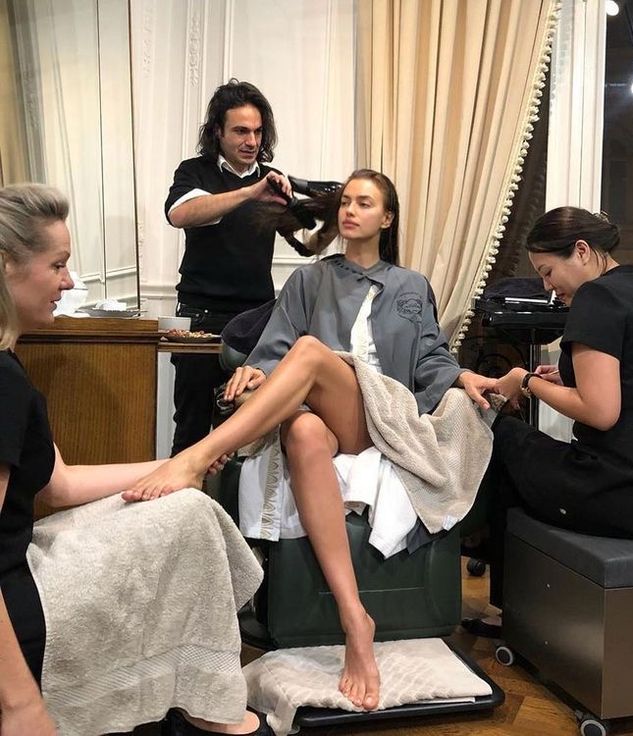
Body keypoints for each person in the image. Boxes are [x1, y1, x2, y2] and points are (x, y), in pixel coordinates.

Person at [127, 169, 497, 712]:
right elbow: (274, 349)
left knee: (310, 353)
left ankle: (196, 458)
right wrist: (256, 372)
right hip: (324, 415)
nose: (349, 211)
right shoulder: (310, 281)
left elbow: (432, 358)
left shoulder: (411, 286)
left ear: (386, 218)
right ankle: (355, 618)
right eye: (345, 202)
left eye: (364, 204)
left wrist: (462, 377)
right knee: (299, 429)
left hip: (383, 414)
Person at [0, 184, 272, 736]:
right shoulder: (1, 381)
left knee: (184, 502)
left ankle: (204, 702)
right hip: (17, 606)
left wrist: (184, 463)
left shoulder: (9, 364)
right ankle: (215, 713)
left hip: (23, 566)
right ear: (6, 267)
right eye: (58, 265)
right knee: (189, 518)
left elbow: (61, 485)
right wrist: (21, 705)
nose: (69, 281)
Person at [461, 206, 633, 638]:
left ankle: (506, 606)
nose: (547, 287)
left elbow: (600, 411)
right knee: (525, 450)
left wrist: (524, 382)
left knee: (497, 431)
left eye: (548, 271)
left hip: (620, 491)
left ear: (581, 251)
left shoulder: (598, 297)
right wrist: (562, 376)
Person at [165, 79, 297, 456]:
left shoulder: (274, 181)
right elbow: (180, 214)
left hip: (256, 321)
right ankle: (181, 514)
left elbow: (305, 240)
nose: (251, 141)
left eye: (257, 131)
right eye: (240, 131)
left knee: (244, 434)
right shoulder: (194, 172)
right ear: (218, 132)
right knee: (191, 427)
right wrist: (249, 193)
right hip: (200, 319)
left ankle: (228, 515)